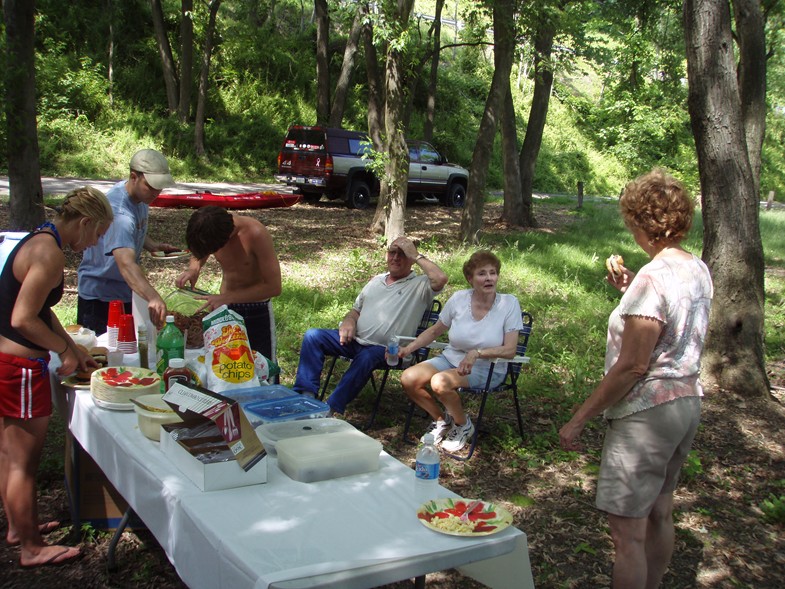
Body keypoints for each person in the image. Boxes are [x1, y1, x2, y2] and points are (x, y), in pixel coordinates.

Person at [559, 169, 713, 589]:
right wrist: (629, 290)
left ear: (642, 220)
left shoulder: (653, 276)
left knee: (627, 535)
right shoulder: (696, 267)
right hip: (686, 402)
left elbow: (632, 366)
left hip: (648, 412)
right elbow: (671, 322)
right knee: (661, 510)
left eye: (630, 218)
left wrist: (580, 417)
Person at [0, 186, 113, 568]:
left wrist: (73, 347)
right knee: (22, 463)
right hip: (18, 368)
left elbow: (42, 311)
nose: (94, 244)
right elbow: (22, 319)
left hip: (8, 362)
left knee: (9, 455)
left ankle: (20, 528)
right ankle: (30, 548)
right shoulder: (48, 254)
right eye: (97, 235)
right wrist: (62, 351)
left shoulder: (40, 239)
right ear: (85, 222)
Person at [292, 236, 448, 416]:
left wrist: (417, 255)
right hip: (355, 341)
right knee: (313, 336)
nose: (395, 257)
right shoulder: (376, 280)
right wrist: (350, 320)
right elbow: (355, 310)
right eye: (392, 252)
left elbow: (441, 278)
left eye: (402, 254)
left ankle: (329, 409)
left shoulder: (420, 285)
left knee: (367, 356)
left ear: (411, 259)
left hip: (389, 350)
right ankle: (306, 396)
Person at [399, 250, 523, 452]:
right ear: (470, 278)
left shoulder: (509, 304)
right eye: (482, 273)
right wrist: (409, 348)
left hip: (488, 367)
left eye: (493, 273)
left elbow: (510, 350)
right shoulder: (459, 299)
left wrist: (477, 353)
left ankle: (463, 424)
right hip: (452, 359)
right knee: (409, 378)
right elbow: (435, 331)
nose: (489, 278)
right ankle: (442, 421)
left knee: (440, 382)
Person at [77, 149, 179, 333]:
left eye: (160, 187)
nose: (156, 192)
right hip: (101, 299)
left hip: (122, 291)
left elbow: (130, 232)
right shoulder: (119, 211)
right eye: (152, 186)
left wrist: (152, 245)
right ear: (134, 177)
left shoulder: (138, 197)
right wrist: (153, 297)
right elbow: (126, 264)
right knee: (104, 357)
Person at [175, 206, 282, 362]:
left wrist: (228, 297)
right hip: (224, 307)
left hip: (255, 311)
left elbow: (274, 287)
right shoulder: (211, 225)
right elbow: (201, 250)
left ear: (226, 238)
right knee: (223, 365)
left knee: (260, 367)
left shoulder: (255, 233)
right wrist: (194, 268)